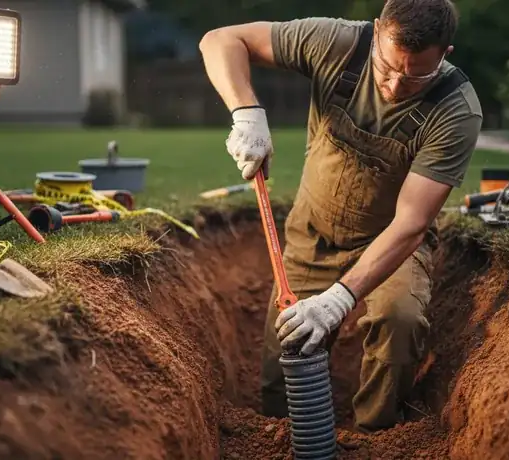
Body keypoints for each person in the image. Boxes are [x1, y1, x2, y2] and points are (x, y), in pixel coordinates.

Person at [199, 0, 482, 433]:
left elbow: (411, 223)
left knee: (400, 321)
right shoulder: (339, 43)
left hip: (393, 245)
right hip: (314, 233)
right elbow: (220, 40)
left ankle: (377, 436)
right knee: (286, 364)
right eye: (387, 68)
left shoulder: (456, 110)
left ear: (446, 54)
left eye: (415, 77)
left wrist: (339, 299)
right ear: (377, 31)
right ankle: (283, 436)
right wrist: (246, 113)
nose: (394, 86)